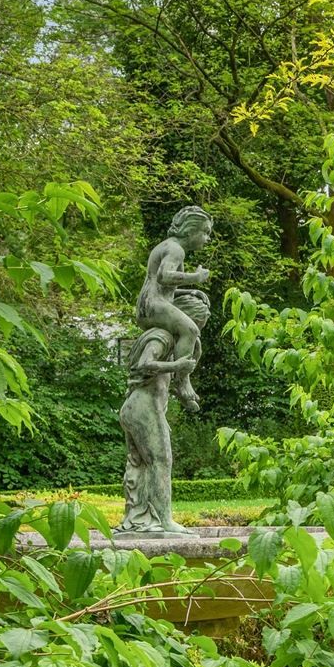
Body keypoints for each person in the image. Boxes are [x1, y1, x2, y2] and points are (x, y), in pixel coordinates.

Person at [115, 290, 209, 536]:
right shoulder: (162, 336)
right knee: (161, 460)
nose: (193, 332)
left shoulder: (167, 340)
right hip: (142, 407)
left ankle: (140, 519)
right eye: (195, 325)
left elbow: (162, 381)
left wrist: (185, 390)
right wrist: (177, 365)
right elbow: (144, 365)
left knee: (142, 464)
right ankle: (164, 521)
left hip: (140, 408)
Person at [136, 206, 213, 412]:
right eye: (205, 232)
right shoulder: (175, 249)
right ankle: (183, 381)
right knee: (190, 330)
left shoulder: (171, 247)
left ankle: (176, 374)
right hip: (151, 306)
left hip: (154, 302)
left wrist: (188, 292)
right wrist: (194, 279)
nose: (207, 238)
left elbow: (165, 288)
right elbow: (164, 276)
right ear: (190, 230)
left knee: (194, 337)